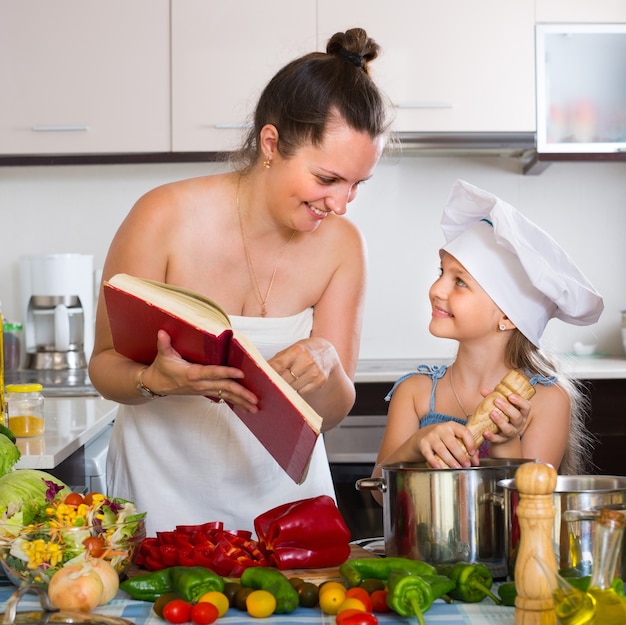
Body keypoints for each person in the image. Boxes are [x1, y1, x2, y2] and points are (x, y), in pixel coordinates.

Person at [88, 28, 392, 536]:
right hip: (160, 505)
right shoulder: (161, 216)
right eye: (327, 179)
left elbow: (334, 411)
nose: (340, 204)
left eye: (357, 184)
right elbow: (103, 365)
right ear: (271, 143)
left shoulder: (342, 246)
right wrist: (153, 381)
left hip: (289, 516)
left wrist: (328, 365)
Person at [373, 179, 603, 486]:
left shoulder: (547, 401)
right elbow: (377, 494)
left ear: (508, 315)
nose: (435, 290)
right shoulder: (415, 393)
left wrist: (505, 440)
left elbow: (528, 510)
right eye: (441, 273)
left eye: (460, 282)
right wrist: (417, 444)